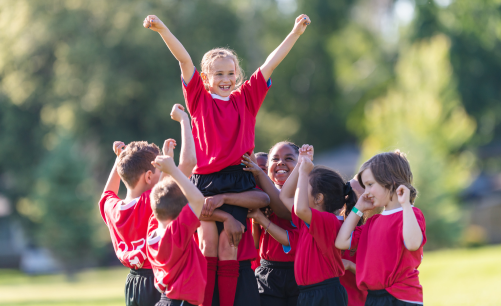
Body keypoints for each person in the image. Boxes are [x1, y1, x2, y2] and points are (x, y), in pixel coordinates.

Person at [143, 13, 310, 306]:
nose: (225, 79)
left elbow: (271, 62)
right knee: (208, 243)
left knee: (229, 247)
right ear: (206, 79)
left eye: (230, 73)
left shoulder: (246, 97)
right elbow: (184, 60)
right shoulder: (199, 99)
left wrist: (295, 32)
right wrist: (162, 30)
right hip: (206, 180)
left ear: (237, 75)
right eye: (218, 74)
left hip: (238, 177)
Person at [99, 104, 195, 306]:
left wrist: (120, 160)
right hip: (158, 279)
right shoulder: (149, 202)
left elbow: (107, 193)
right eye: (159, 170)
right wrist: (185, 121)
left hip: (133, 283)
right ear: (149, 176)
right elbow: (187, 165)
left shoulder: (112, 208)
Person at [335, 150, 426, 306]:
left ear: (390, 181)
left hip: (401, 298)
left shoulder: (410, 214)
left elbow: (412, 244)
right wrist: (358, 208)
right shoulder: (372, 222)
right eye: (365, 186)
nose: (367, 191)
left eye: (370, 185)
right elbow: (341, 241)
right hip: (374, 297)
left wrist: (405, 205)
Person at [278, 145, 352, 306]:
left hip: (326, 294)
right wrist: (300, 165)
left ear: (318, 198)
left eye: (304, 186)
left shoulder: (329, 221)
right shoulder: (307, 221)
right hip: (309, 293)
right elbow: (285, 196)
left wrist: (304, 173)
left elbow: (300, 207)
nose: (300, 190)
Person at [242, 142, 301, 305]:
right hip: (268, 272)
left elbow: (286, 212)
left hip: (299, 272)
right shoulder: (259, 196)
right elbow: (255, 242)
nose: (281, 162)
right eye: (275, 159)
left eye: (288, 158)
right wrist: (256, 218)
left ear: (300, 164)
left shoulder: (306, 195)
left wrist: (262, 219)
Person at [147, 152, 206, 306]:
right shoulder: (176, 232)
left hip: (166, 300)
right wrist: (172, 170)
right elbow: (199, 199)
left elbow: (159, 197)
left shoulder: (151, 231)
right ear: (182, 212)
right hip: (181, 302)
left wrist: (166, 168)